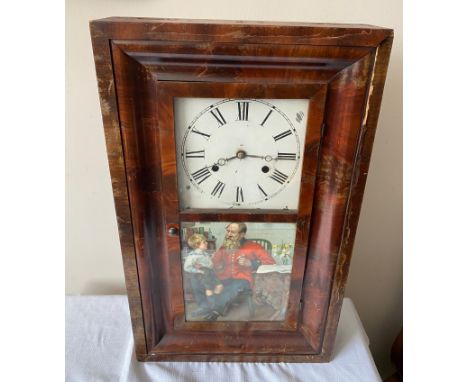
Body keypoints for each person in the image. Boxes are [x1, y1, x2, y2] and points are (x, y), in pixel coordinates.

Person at [204, 223, 276, 321]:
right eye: (228, 231)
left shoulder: (253, 246)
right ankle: (213, 307)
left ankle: (215, 312)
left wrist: (251, 263)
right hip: (224, 276)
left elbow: (271, 262)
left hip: (243, 279)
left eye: (232, 232)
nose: (228, 234)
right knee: (209, 283)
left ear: (242, 234)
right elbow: (214, 262)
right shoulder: (224, 246)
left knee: (231, 287)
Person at [183, 234, 224, 317]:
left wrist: (212, 261)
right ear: (197, 245)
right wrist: (198, 271)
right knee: (208, 290)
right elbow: (186, 267)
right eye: (204, 242)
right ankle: (209, 309)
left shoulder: (205, 254)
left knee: (219, 287)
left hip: (210, 274)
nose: (206, 243)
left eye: (206, 241)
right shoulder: (193, 256)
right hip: (202, 275)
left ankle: (213, 307)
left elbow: (210, 264)